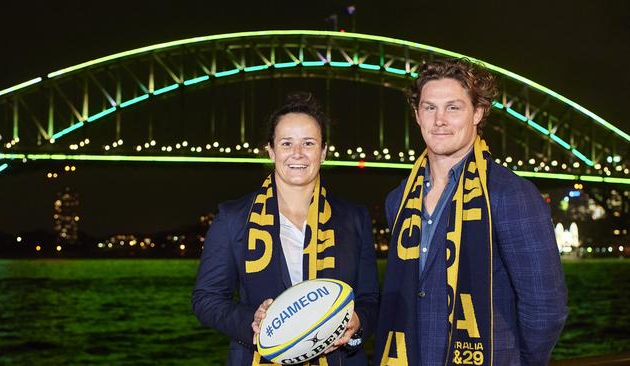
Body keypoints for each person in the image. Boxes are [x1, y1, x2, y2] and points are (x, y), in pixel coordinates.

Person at [373, 58, 568, 366]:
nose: (440, 120)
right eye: (429, 108)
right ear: (417, 114)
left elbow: (546, 307)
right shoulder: (398, 200)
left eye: (453, 108)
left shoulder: (511, 194)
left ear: (478, 113)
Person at [192, 93, 380, 366]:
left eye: (309, 143)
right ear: (271, 150)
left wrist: (358, 322)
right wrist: (253, 322)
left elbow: (370, 298)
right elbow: (206, 299)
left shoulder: (354, 217)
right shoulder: (233, 217)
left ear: (324, 151)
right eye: (287, 143)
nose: (298, 154)